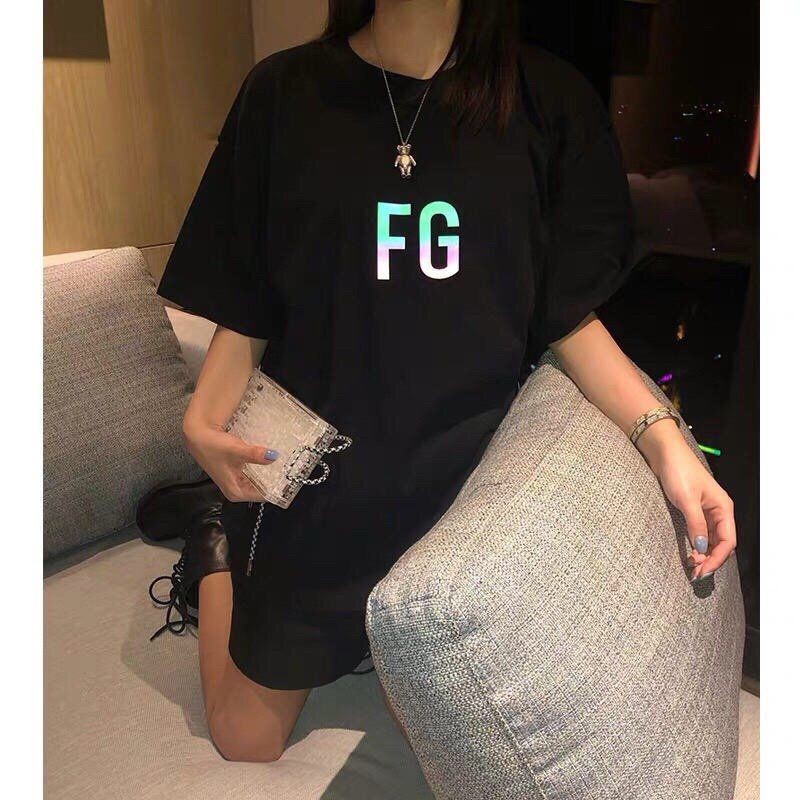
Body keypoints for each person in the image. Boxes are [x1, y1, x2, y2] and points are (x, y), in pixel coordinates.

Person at [152, 0, 736, 764]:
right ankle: (212, 544)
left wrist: (667, 442)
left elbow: (565, 319)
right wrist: (203, 417)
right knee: (244, 739)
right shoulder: (285, 93)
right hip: (318, 478)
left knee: (452, 733)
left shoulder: (547, 102)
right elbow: (252, 296)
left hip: (461, 485)